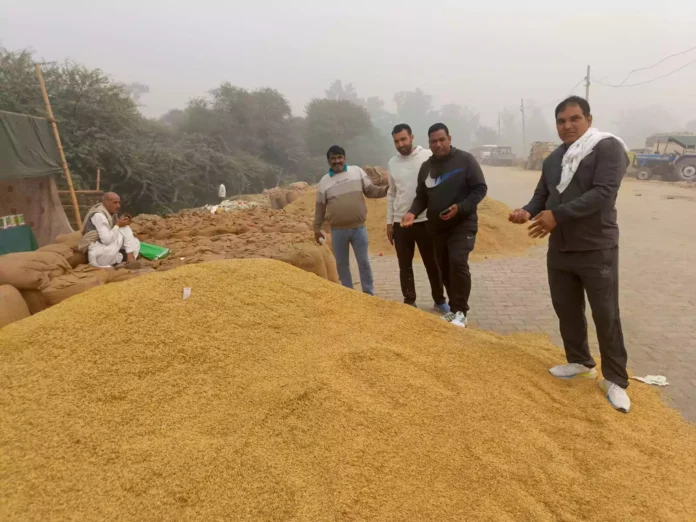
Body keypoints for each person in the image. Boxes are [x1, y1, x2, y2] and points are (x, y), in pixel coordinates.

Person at [509, 96, 631, 413]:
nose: (568, 126)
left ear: (588, 119)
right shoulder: (553, 160)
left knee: (606, 315)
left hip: (596, 248)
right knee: (567, 310)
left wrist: (557, 215)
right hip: (560, 249)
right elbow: (542, 196)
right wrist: (526, 211)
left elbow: (604, 193)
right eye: (562, 121)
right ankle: (580, 360)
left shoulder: (606, 148)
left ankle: (616, 379)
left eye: (574, 119)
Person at [402, 123, 488, 327]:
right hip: (437, 228)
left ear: (449, 138)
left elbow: (480, 189)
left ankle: (462, 312)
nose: (438, 144)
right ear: (429, 143)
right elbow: (422, 197)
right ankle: (455, 310)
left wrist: (461, 207)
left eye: (442, 139)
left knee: (458, 262)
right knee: (445, 267)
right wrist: (412, 212)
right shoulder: (427, 167)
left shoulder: (465, 160)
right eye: (434, 141)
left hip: (463, 224)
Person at [387, 123, 449, 313]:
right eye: (396, 141)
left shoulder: (427, 156)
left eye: (403, 139)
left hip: (425, 221)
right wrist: (390, 222)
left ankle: (439, 300)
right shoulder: (392, 163)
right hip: (401, 222)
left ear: (412, 137)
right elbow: (392, 193)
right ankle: (409, 301)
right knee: (404, 265)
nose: (400, 144)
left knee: (433, 263)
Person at [314, 145, 388, 295]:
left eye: (339, 157)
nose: (337, 161)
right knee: (342, 265)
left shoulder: (357, 172)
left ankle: (369, 293)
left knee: (364, 263)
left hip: (358, 229)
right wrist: (316, 228)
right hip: (338, 231)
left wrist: (386, 190)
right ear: (328, 161)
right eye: (333, 158)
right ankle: (349, 295)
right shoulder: (324, 181)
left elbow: (371, 191)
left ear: (344, 158)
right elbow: (320, 208)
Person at [78, 192, 141, 269]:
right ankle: (130, 258)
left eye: (119, 203)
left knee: (135, 242)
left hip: (106, 254)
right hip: (99, 255)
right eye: (115, 203)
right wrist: (118, 225)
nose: (118, 206)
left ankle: (124, 260)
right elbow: (106, 240)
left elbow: (113, 231)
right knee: (125, 228)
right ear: (105, 202)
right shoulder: (99, 215)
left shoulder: (111, 215)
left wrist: (121, 223)